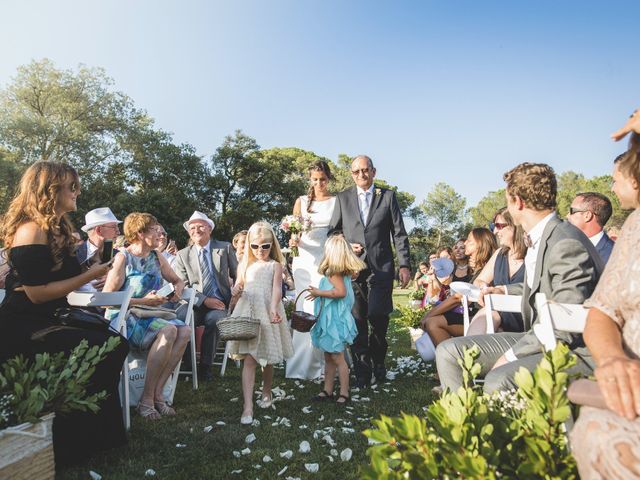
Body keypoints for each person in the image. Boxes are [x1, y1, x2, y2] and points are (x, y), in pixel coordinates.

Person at [0, 161, 129, 467]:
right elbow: (36, 292)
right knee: (101, 347)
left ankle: (91, 437)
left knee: (114, 342)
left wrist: (92, 266)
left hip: (50, 318)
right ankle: (69, 444)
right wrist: (87, 276)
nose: (77, 192)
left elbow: (57, 279)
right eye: (72, 186)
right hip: (23, 326)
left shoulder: (58, 230)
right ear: (50, 190)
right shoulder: (31, 230)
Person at [436, 162, 604, 393]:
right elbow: (541, 287)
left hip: (568, 348)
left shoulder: (565, 242)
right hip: (534, 335)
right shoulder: (539, 236)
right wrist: (503, 290)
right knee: (448, 352)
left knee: (498, 379)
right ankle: (463, 419)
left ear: (518, 202)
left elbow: (563, 323)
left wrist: (512, 355)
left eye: (507, 199)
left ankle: (501, 425)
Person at [570, 110, 640, 479]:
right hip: (625, 388)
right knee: (595, 430)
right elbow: (602, 311)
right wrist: (612, 360)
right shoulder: (634, 227)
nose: (614, 186)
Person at [328, 154, 411, 387]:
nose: (361, 175)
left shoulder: (388, 197)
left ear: (373, 172)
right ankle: (362, 372)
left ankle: (379, 361)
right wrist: (345, 245)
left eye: (365, 170)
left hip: (381, 268)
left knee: (378, 316)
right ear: (352, 174)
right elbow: (333, 232)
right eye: (356, 172)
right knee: (357, 321)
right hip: (353, 270)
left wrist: (404, 264)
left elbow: (399, 234)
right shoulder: (343, 198)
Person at [103, 212, 190, 419]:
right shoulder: (123, 258)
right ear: (140, 233)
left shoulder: (156, 256)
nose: (160, 233)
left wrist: (174, 292)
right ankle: (147, 399)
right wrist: (144, 301)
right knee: (169, 330)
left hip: (153, 314)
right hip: (126, 317)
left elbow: (178, 280)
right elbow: (107, 298)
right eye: (154, 229)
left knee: (185, 331)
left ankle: (158, 394)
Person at [227, 221, 294, 424]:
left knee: (267, 356)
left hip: (267, 310)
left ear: (272, 244)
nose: (260, 250)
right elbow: (238, 285)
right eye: (255, 246)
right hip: (248, 311)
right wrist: (236, 290)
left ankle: (266, 391)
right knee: (250, 358)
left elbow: (276, 289)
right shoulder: (245, 264)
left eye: (265, 245)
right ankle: (248, 406)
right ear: (250, 245)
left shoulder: (275, 265)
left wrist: (274, 307)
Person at [173, 211, 238, 381]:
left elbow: (238, 274)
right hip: (194, 302)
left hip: (220, 303)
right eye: (192, 228)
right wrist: (204, 300)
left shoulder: (224, 248)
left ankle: (205, 367)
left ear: (209, 228)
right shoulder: (182, 255)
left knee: (214, 320)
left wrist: (235, 296)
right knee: (181, 318)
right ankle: (188, 364)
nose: (196, 230)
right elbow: (182, 284)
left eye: (201, 226)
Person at [286, 160, 336, 380]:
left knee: (323, 307)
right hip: (303, 260)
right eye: (315, 179)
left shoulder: (336, 202)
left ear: (328, 179)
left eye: (322, 179)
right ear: (310, 179)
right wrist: (294, 239)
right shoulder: (301, 201)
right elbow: (294, 230)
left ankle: (326, 364)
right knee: (303, 306)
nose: (319, 183)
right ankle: (301, 365)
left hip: (325, 258)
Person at [306, 235, 366, 405]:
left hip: (334, 321)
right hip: (331, 319)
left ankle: (345, 392)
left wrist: (319, 293)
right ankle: (328, 389)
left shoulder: (334, 273)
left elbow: (340, 293)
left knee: (338, 357)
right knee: (329, 356)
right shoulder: (340, 272)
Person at [420, 228, 497, 345]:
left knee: (432, 322)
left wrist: (428, 315)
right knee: (432, 321)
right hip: (467, 312)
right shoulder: (471, 267)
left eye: (469, 241)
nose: (464, 243)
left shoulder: (486, 269)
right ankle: (453, 356)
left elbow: (458, 297)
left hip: (479, 317)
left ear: (481, 244)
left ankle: (453, 358)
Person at [466, 208, 526, 335]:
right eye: (494, 226)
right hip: (498, 318)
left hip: (526, 323)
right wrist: (484, 286)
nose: (494, 231)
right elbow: (479, 280)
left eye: (499, 226)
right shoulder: (500, 254)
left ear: (515, 225)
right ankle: (468, 352)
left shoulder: (533, 255)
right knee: (489, 314)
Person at [76, 207, 122, 292]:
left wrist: (112, 279)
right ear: (99, 230)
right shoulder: (72, 253)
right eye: (114, 227)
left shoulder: (119, 256)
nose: (118, 232)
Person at [566, 192, 615, 264]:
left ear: (587, 216)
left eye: (571, 211)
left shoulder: (614, 256)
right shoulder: (567, 245)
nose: (567, 216)